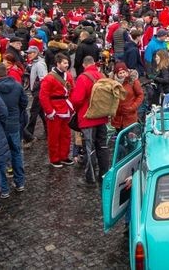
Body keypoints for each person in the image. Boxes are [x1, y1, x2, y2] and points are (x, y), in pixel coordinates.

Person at [69, 55, 111, 185]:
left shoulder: (83, 78)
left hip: (88, 118)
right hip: (102, 117)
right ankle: (104, 176)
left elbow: (77, 100)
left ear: (83, 65)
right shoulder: (102, 76)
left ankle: (90, 179)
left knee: (90, 149)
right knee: (103, 148)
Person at [0, 62, 27, 194]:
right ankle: (20, 182)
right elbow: (24, 103)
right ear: (6, 72)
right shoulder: (17, 86)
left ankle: (4, 189)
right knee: (16, 152)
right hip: (13, 124)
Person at [38, 53, 73, 167]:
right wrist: (49, 111)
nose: (67, 65)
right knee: (54, 135)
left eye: (67, 63)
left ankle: (64, 156)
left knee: (66, 134)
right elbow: (43, 96)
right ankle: (54, 158)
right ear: (58, 64)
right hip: (55, 109)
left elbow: (72, 90)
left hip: (66, 107)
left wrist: (73, 105)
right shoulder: (49, 78)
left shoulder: (68, 75)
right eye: (64, 63)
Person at [111, 63, 144, 130]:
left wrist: (132, 107)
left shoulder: (133, 81)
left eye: (124, 72)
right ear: (116, 74)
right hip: (117, 118)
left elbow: (140, 95)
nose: (123, 75)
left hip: (130, 117)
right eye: (120, 73)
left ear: (127, 72)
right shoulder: (112, 83)